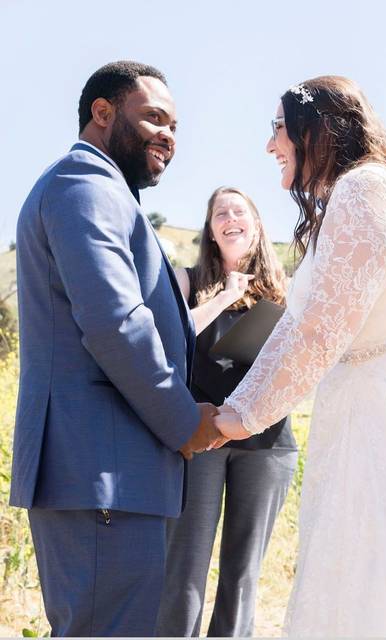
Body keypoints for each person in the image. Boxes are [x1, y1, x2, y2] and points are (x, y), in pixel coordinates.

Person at [211, 76, 386, 636]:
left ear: (320, 130)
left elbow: (317, 331)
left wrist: (235, 418)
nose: (270, 146)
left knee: (382, 581)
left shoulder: (365, 191)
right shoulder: (372, 187)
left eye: (279, 129)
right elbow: (305, 326)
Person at [10, 61, 221, 637]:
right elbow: (116, 325)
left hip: (113, 470)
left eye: (176, 125)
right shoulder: (85, 185)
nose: (169, 135)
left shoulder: (105, 192)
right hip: (100, 469)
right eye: (154, 117)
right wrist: (184, 422)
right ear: (101, 113)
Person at [157, 187, 297, 637]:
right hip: (202, 437)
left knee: (243, 572)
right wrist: (222, 297)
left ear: (256, 225)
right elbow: (168, 339)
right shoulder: (185, 280)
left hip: (267, 445)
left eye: (240, 211)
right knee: (185, 564)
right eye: (221, 213)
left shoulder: (286, 292)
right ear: (211, 231)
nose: (231, 218)